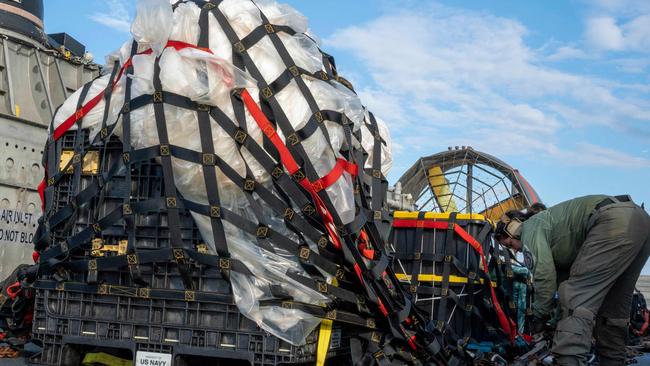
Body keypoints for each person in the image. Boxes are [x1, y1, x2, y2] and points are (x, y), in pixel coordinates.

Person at [494, 195, 650, 366]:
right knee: (613, 307)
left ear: (513, 228)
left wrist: (538, 319)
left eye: (509, 245)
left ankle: (569, 361)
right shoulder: (556, 238)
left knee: (575, 299)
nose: (516, 252)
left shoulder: (529, 228)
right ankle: (612, 361)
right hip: (640, 222)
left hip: (611, 222)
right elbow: (562, 282)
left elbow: (544, 279)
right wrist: (553, 321)